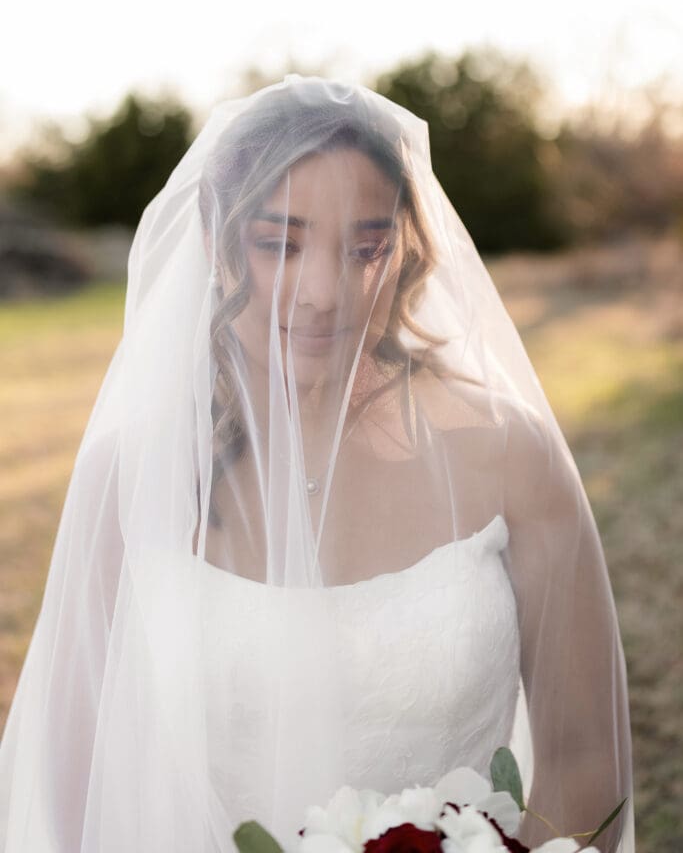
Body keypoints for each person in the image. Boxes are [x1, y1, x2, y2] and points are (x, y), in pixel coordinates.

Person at [0, 75, 634, 852]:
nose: (325, 292)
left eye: (367, 248)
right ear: (215, 241)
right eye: (280, 243)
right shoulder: (128, 475)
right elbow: (75, 782)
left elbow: (583, 758)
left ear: (406, 250)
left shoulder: (508, 452)